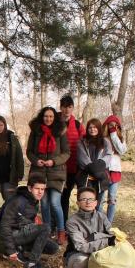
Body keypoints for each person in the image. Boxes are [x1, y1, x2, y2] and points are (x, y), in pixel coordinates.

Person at [0, 175, 59, 268]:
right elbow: (4, 225)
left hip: (22, 233)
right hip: (12, 236)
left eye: (42, 189)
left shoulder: (33, 201)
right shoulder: (18, 201)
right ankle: (31, 264)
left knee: (53, 247)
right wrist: (10, 250)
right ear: (30, 188)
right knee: (45, 227)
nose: (40, 192)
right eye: (37, 189)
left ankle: (22, 252)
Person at [26, 106, 70, 245]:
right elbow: (29, 151)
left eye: (51, 116)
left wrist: (54, 161)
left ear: (54, 118)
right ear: (42, 117)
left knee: (55, 203)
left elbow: (66, 153)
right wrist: (36, 160)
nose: (48, 119)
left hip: (56, 173)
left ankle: (61, 232)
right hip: (39, 173)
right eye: (46, 116)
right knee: (44, 204)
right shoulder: (35, 131)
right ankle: (47, 230)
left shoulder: (60, 131)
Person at [63, 187, 115, 268]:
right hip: (77, 254)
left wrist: (95, 236)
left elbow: (112, 235)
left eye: (91, 199)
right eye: (84, 199)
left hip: (99, 251)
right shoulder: (72, 221)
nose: (88, 202)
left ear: (96, 203)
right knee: (82, 258)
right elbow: (81, 246)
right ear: (78, 203)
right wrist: (105, 241)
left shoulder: (102, 217)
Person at [58, 95, 85, 224]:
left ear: (73, 108)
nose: (67, 110)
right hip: (56, 167)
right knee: (57, 198)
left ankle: (66, 225)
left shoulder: (78, 125)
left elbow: (85, 145)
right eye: (64, 107)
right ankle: (58, 224)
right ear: (60, 107)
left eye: (69, 107)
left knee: (66, 196)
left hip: (73, 168)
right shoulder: (54, 122)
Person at [100, 115, 128, 223]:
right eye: (110, 125)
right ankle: (99, 223)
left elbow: (121, 151)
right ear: (106, 125)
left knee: (112, 200)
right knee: (101, 199)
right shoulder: (102, 138)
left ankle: (108, 224)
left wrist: (113, 135)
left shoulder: (120, 138)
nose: (112, 127)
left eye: (115, 125)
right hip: (104, 171)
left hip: (115, 171)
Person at [76, 118, 113, 193]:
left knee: (98, 204)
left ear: (99, 128)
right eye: (90, 127)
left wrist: (101, 164)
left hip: (100, 179)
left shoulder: (105, 141)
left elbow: (108, 155)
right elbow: (82, 158)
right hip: (85, 178)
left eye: (95, 127)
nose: (92, 129)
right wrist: (94, 169)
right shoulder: (82, 141)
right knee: (85, 202)